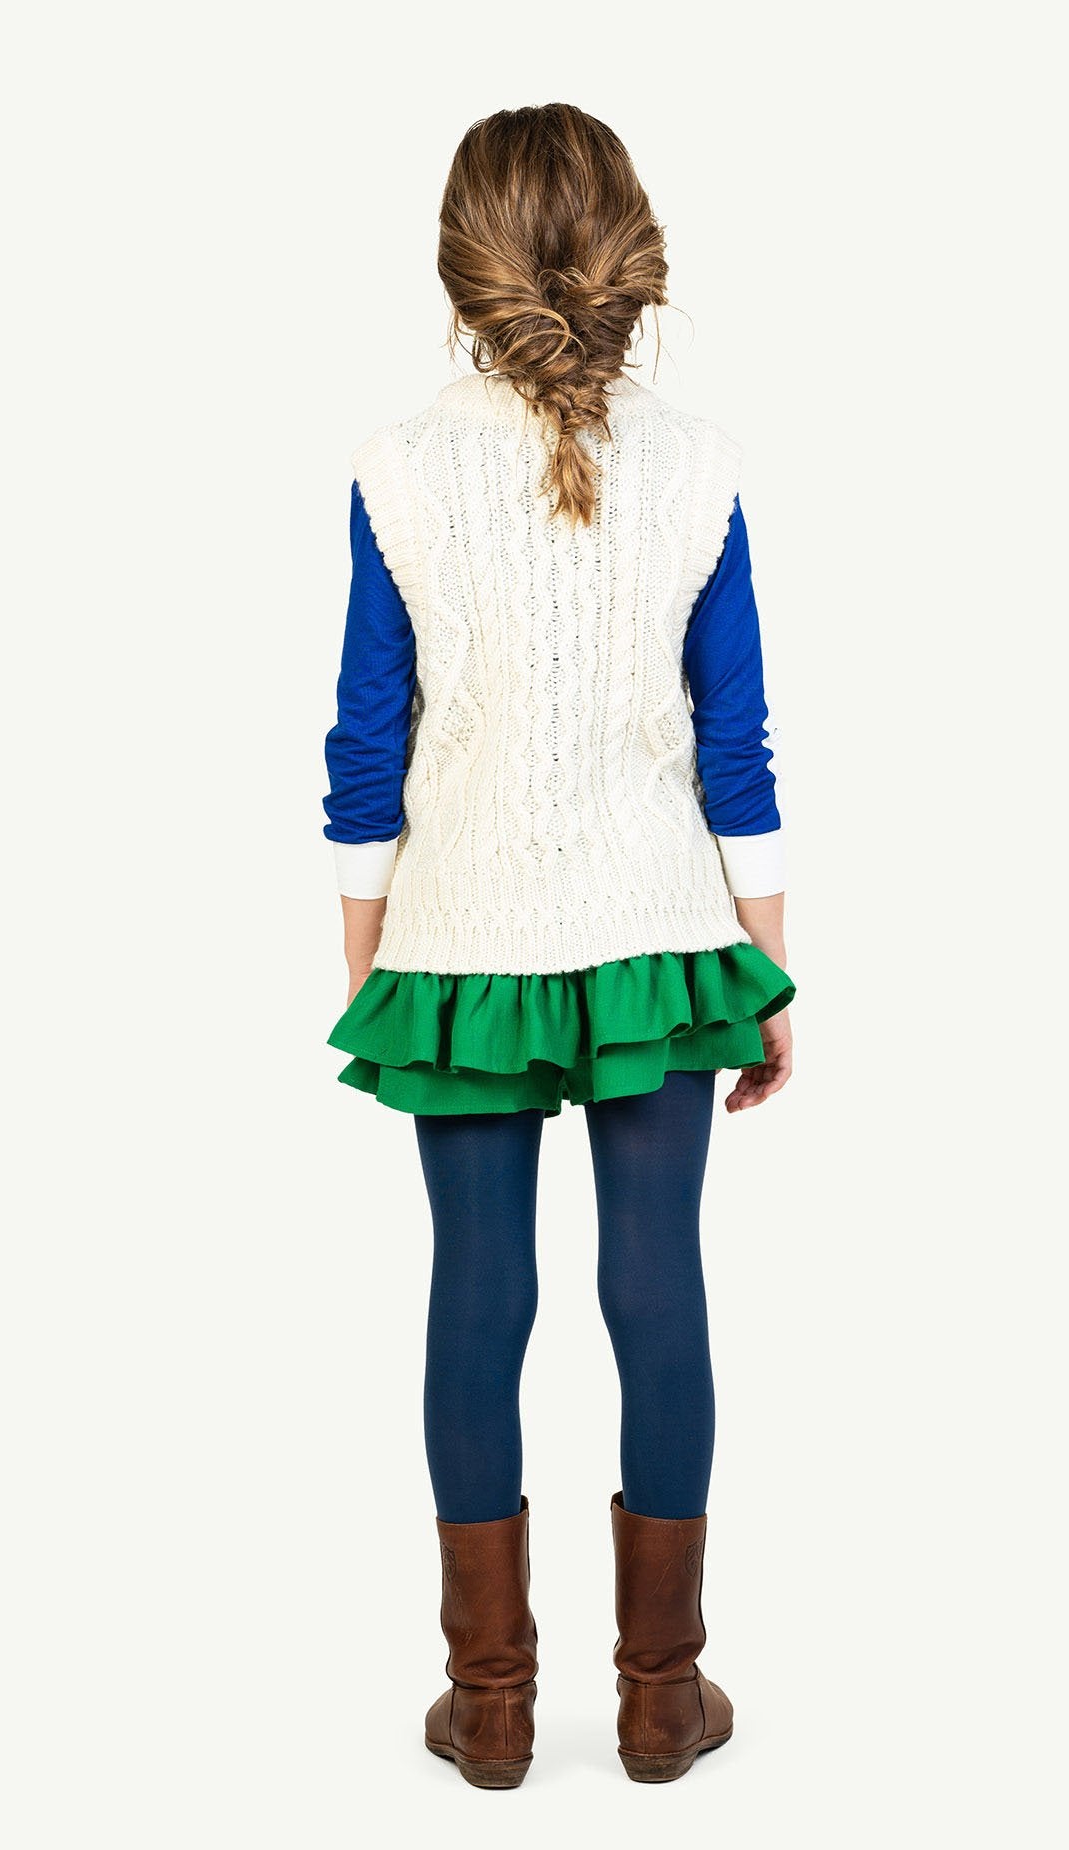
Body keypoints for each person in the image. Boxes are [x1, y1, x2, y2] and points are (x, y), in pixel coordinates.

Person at [320, 103, 797, 1789]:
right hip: (663, 937)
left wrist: (368, 953)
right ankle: (664, 1696)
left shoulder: (398, 468)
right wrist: (768, 965)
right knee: (655, 1280)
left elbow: (365, 739)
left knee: (477, 1288)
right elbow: (733, 741)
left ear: (463, 264)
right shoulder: (699, 464)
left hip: (459, 944)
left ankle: (493, 1703)